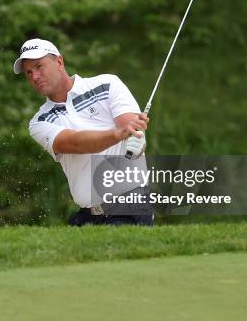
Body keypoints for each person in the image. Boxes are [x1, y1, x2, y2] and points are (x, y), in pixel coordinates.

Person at [14, 38, 154, 226]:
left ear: (59, 62)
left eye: (39, 66)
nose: (35, 76)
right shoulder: (40, 121)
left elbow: (132, 130)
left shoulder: (107, 84)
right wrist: (117, 134)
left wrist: (136, 139)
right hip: (87, 216)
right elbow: (75, 143)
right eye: (28, 72)